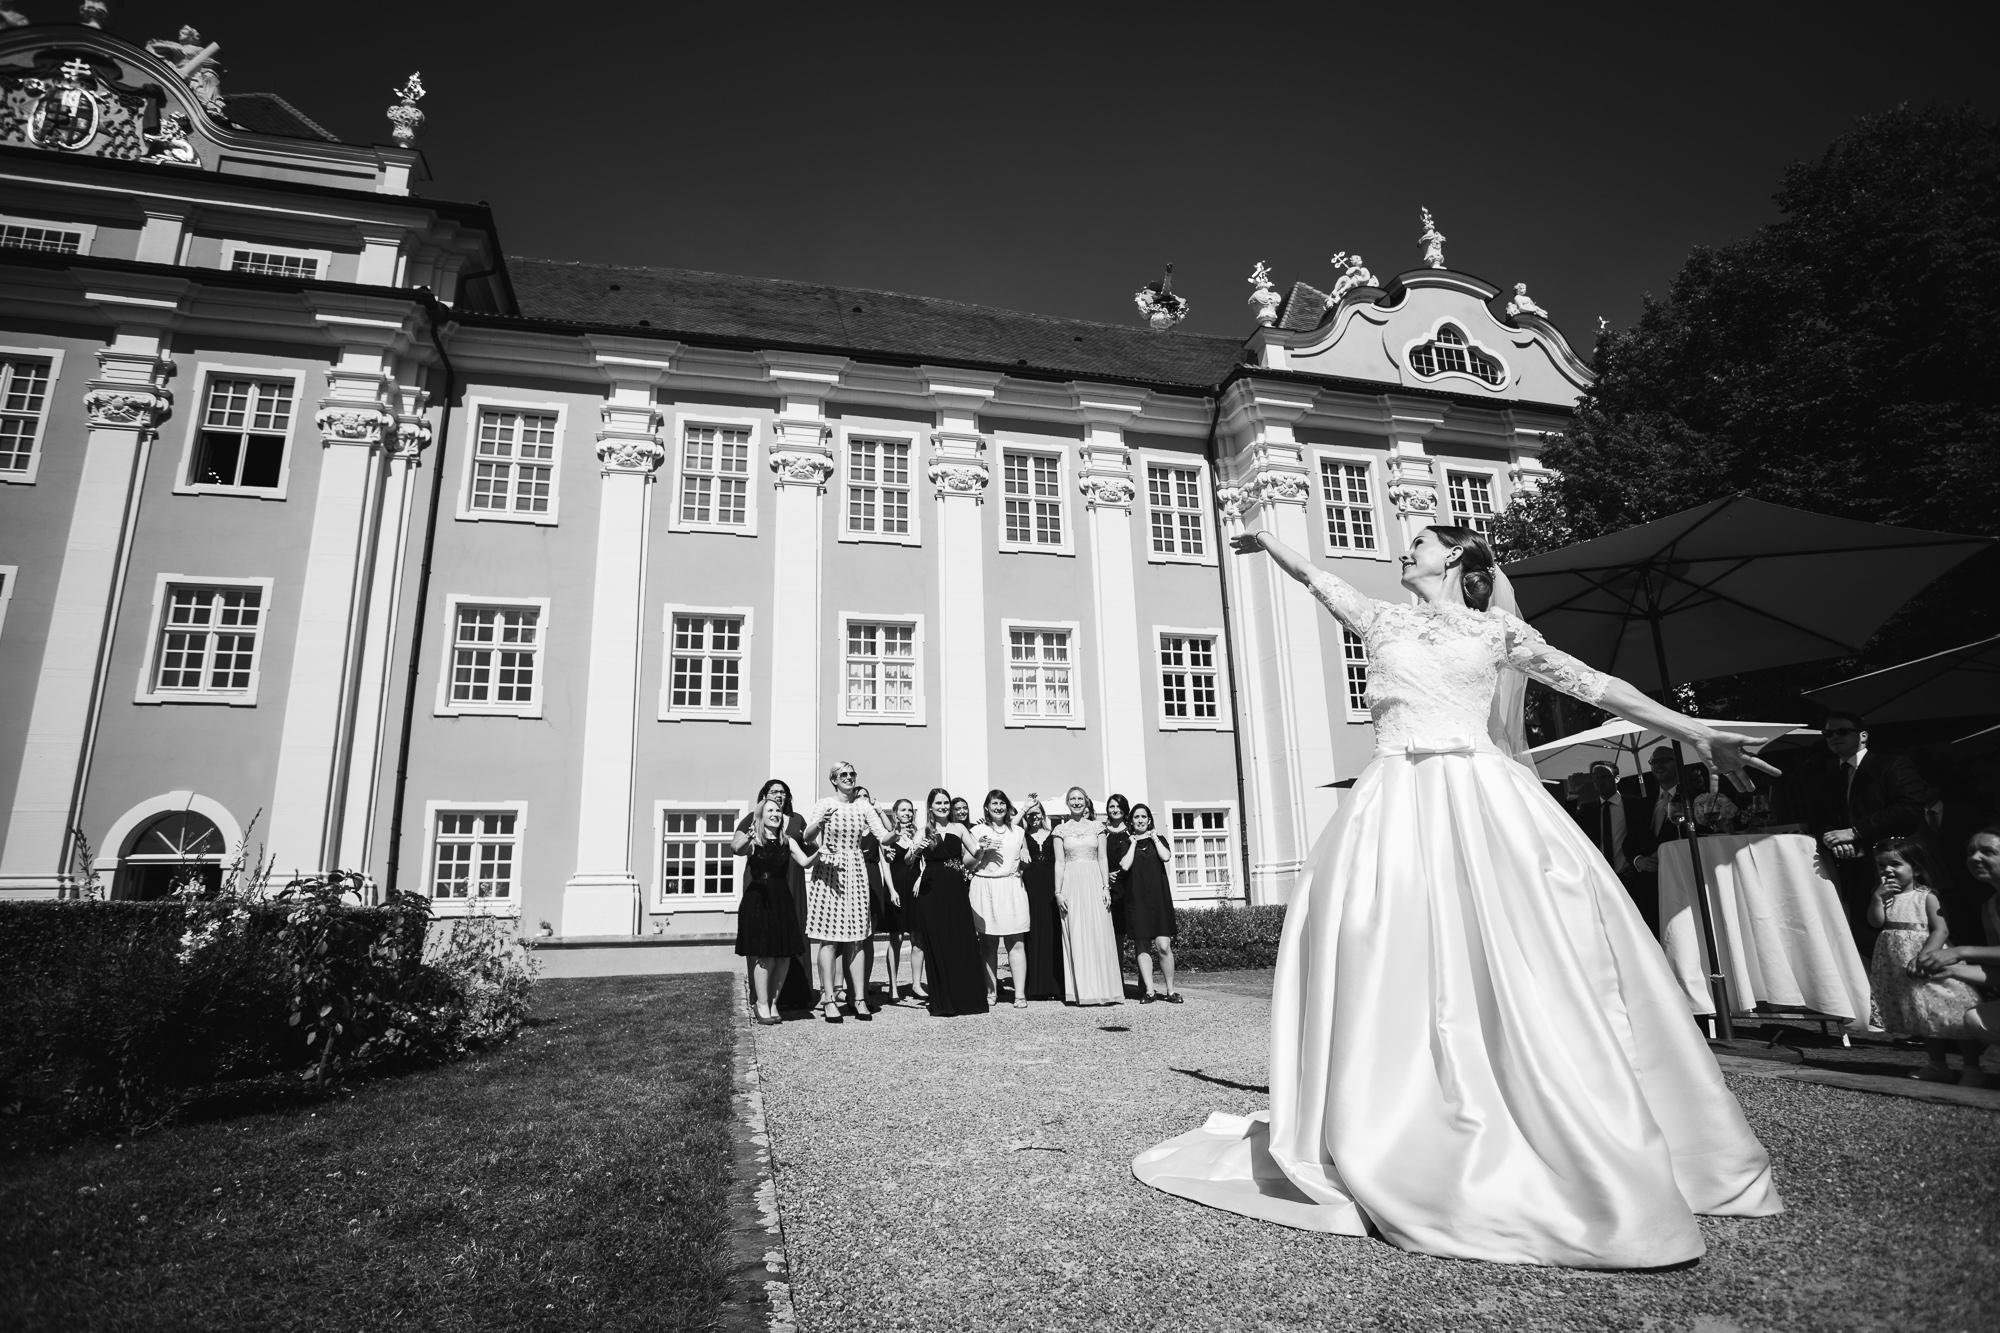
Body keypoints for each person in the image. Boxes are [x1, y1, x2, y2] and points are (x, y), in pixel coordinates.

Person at [1134, 524, 1782, 1269]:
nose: (1404, 551)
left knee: (1523, 946)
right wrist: (1271, 540)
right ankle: (1402, 1103)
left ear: (1459, 560)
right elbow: (1319, 579)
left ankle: (1560, 1105)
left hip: (1483, 798)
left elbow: (1598, 686)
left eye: (1420, 543)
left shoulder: (1500, 631)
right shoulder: (1383, 618)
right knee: (1386, 946)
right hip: (1393, 805)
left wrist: (1695, 729)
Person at [1810, 711, 1937, 954]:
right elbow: (1818, 819)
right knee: (1868, 940)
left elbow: (1909, 808)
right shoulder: (1827, 778)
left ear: (1863, 736)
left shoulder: (1891, 764)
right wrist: (1834, 839)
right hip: (1852, 870)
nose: (1833, 737)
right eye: (1828, 733)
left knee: (1911, 935)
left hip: (1895, 866)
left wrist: (1855, 832)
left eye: (1842, 731)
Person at [1866, 835, 1986, 1085]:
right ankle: (1937, 1064)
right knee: (1922, 1013)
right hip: (1900, 964)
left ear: (1917, 869)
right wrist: (1876, 899)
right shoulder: (1884, 896)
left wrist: (1924, 957)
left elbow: (1940, 930)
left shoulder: (1927, 896)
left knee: (1952, 1010)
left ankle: (1972, 1068)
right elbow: (1876, 923)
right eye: (1881, 866)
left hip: (1929, 961)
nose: (1887, 870)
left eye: (1895, 864)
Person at [801, 761, 892, 1023]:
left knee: (857, 938)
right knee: (828, 939)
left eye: (852, 774)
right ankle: (829, 998)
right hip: (829, 869)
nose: (849, 777)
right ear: (834, 780)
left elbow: (882, 836)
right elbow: (807, 837)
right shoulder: (824, 803)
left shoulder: (863, 805)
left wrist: (896, 832)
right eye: (844, 774)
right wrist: (820, 823)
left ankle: (859, 998)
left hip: (855, 868)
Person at [1915, 826, 2000, 1077]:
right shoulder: (1990, 907)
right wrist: (1947, 970)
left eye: (1988, 851)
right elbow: (1996, 973)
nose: (1974, 858)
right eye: (1970, 852)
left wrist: (1960, 952)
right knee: (1976, 1018)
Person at [733, 778, 816, 1012]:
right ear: (763, 800)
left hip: (785, 892)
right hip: (759, 893)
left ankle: (775, 1002)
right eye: (773, 794)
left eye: (782, 793)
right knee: (764, 951)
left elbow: (807, 856)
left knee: (784, 952)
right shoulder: (753, 823)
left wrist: (824, 851)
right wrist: (748, 837)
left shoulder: (791, 829)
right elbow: (736, 848)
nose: (778, 799)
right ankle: (761, 1002)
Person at [910, 788, 986, 1016]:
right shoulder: (923, 830)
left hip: (954, 885)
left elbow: (973, 855)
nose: (943, 806)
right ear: (930, 806)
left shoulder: (959, 828)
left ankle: (964, 998)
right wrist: (915, 851)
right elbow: (908, 860)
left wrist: (982, 848)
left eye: (946, 803)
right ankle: (942, 998)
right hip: (931, 888)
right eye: (938, 803)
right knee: (936, 939)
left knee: (959, 937)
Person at [1053, 786, 1123, 1006]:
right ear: (1067, 802)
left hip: (1094, 881)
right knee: (1077, 932)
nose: (1076, 802)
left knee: (1098, 932)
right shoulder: (1060, 830)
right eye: (1072, 799)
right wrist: (1058, 892)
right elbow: (1059, 863)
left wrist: (1105, 887)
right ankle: (1082, 991)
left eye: (1079, 798)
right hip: (1071, 883)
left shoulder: (1097, 827)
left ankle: (1104, 989)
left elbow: (1103, 859)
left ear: (1086, 802)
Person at [968, 789, 1032, 1008]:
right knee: (988, 944)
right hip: (985, 885)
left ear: (1007, 806)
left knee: (1016, 942)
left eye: (1002, 803)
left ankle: (1020, 994)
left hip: (1012, 886)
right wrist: (981, 849)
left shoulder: (1019, 832)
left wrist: (1025, 859)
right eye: (994, 803)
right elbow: (967, 862)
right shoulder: (977, 830)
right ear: (987, 807)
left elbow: (1023, 861)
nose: (998, 807)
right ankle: (991, 992)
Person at [1569, 760, 1649, 930]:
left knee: (1638, 926)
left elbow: (1645, 838)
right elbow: (1566, 827)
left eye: (1604, 776)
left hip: (1630, 878)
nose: (1599, 781)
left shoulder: (1636, 805)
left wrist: (1635, 863)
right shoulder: (1587, 809)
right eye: (1595, 777)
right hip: (1599, 881)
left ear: (1617, 778)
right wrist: (1573, 795)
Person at [1118, 802, 1180, 1003]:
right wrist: (1134, 843)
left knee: (1163, 945)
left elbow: (1166, 856)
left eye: (1144, 817)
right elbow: (1125, 866)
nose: (1140, 820)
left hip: (1158, 899)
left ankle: (1170, 991)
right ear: (1131, 821)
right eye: (1136, 817)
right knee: (1142, 946)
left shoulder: (1159, 840)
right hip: (1137, 900)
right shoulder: (1126, 843)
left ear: (1149, 820)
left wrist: (1154, 838)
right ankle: (1150, 991)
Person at [1019, 797, 1065, 1000]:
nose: (1034, 816)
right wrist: (1021, 846)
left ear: (1043, 814)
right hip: (1029, 889)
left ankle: (1054, 986)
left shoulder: (1054, 834)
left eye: (1037, 812)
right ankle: (1034, 987)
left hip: (1050, 889)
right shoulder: (1020, 835)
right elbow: (1011, 827)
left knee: (1052, 934)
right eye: (1030, 813)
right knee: (1032, 934)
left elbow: (1061, 862)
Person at [880, 798, 925, 1001]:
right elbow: (885, 865)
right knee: (896, 938)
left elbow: (924, 862)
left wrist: (920, 879)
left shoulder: (919, 834)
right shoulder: (888, 836)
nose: (906, 813)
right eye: (902, 810)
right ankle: (893, 987)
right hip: (896, 887)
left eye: (909, 810)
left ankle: (916, 984)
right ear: (895, 813)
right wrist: (891, 890)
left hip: (915, 888)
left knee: (918, 938)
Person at [1103, 793, 1134, 942]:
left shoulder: (1132, 832)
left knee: (1136, 933)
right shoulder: (1102, 832)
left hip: (1130, 886)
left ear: (1125, 809)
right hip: (1110, 888)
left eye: (1119, 806)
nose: (1115, 810)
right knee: (1114, 935)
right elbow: (1095, 858)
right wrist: (1105, 875)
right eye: (1111, 806)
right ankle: (1117, 966)